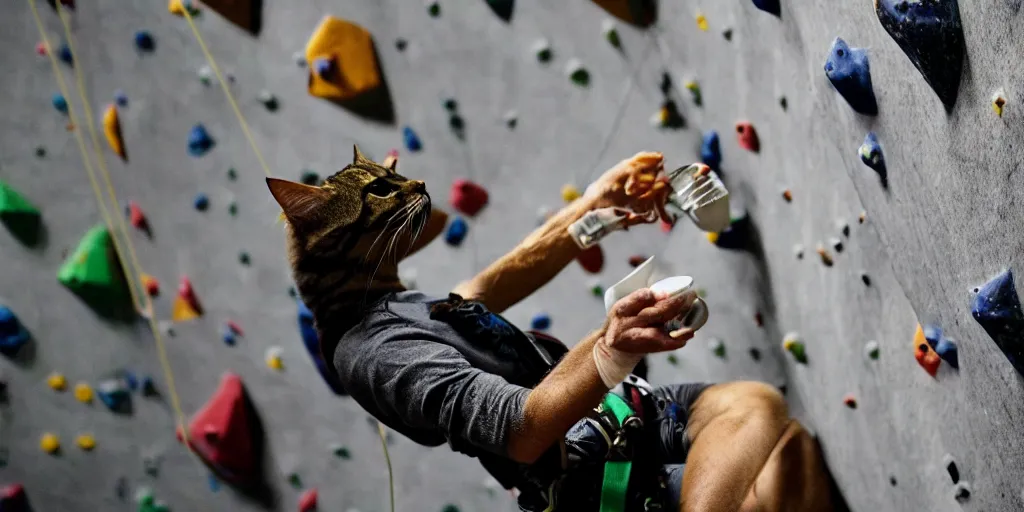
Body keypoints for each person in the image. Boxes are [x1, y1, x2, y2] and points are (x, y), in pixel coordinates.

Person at [269, 151, 835, 511]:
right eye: (386, 191)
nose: (413, 184)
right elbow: (521, 431)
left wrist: (597, 210)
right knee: (783, 462)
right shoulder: (372, 353)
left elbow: (491, 284)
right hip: (586, 479)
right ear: (324, 232)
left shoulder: (394, 306)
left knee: (767, 421)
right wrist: (609, 348)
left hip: (623, 415)